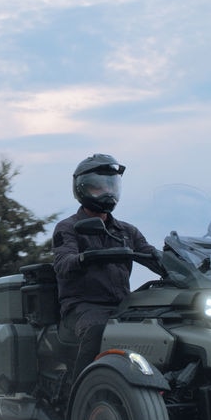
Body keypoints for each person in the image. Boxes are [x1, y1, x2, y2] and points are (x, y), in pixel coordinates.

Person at [52, 153, 163, 376]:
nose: (108, 192)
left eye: (112, 186)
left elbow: (151, 255)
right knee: (98, 330)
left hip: (122, 304)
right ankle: (81, 392)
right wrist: (87, 257)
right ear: (82, 188)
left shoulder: (126, 231)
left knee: (163, 327)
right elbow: (63, 263)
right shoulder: (68, 228)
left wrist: (181, 263)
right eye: (99, 187)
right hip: (83, 307)